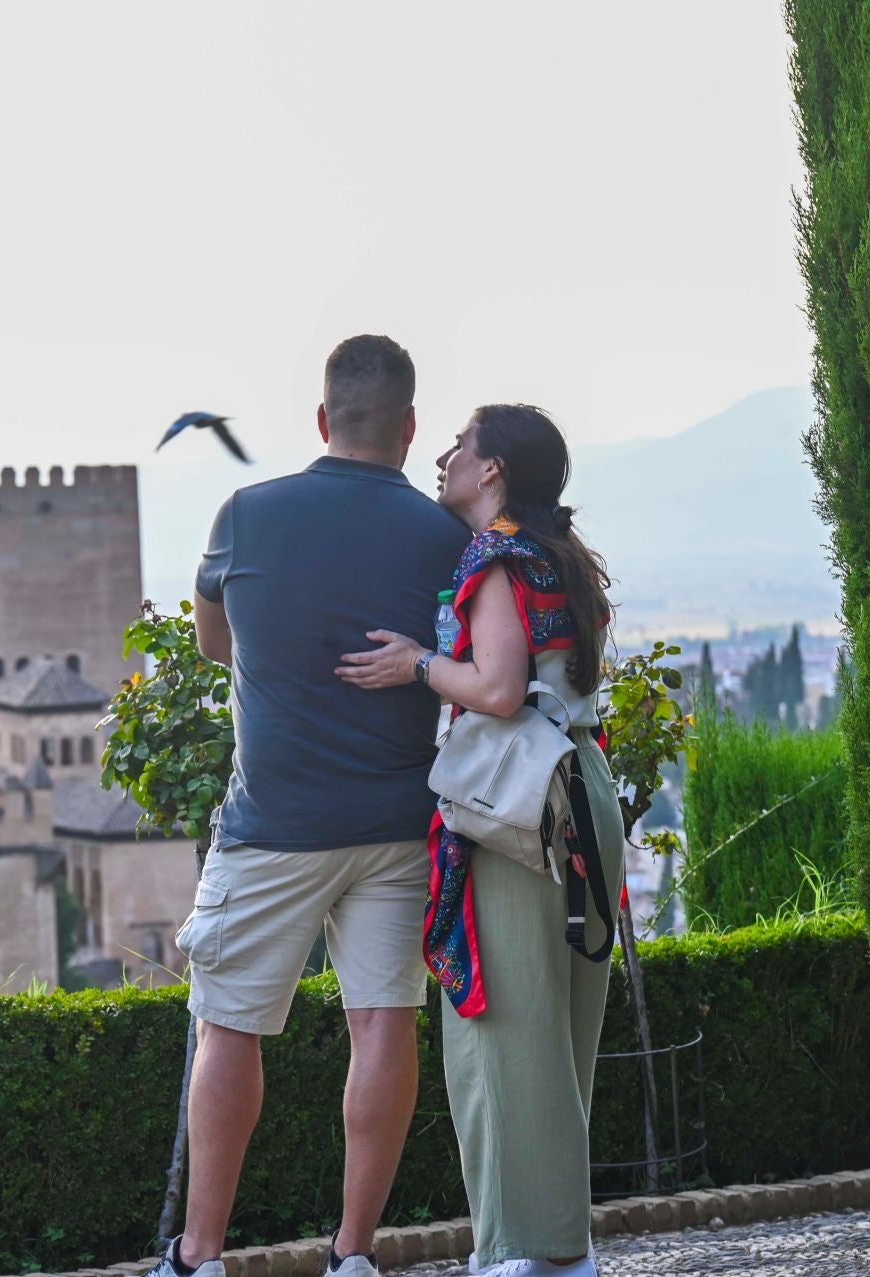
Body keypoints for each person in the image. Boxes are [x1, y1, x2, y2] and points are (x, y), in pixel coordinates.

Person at [151, 335, 471, 1277]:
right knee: (383, 1022)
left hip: (273, 824)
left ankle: (200, 1257)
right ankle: (354, 1254)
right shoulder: (444, 536)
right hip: (399, 822)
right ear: (409, 428)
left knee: (229, 1025)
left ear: (324, 418)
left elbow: (216, 643)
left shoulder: (246, 513)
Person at [335, 403, 625, 1277]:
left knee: (504, 1031)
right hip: (580, 789)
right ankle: (557, 1249)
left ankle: (523, 1254)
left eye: (461, 444)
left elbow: (497, 688)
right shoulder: (557, 555)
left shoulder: (495, 557)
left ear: (493, 468)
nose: (445, 457)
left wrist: (416, 664)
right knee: (561, 1035)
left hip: (517, 805)